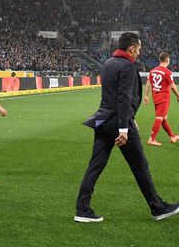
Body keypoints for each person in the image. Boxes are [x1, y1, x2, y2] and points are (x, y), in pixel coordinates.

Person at [75, 33, 179, 223]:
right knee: (140, 166)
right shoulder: (129, 67)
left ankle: (82, 209)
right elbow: (124, 99)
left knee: (95, 165)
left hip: (101, 120)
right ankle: (158, 208)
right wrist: (124, 128)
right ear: (131, 48)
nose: (139, 53)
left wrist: (129, 118)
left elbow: (110, 96)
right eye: (138, 49)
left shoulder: (107, 64)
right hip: (118, 123)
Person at [142, 52, 179, 146]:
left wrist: (146, 96)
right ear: (167, 60)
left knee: (163, 118)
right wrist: (178, 96)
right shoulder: (167, 72)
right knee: (159, 118)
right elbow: (173, 86)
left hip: (156, 98)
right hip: (164, 99)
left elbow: (148, 84)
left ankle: (172, 136)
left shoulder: (152, 71)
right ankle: (151, 139)